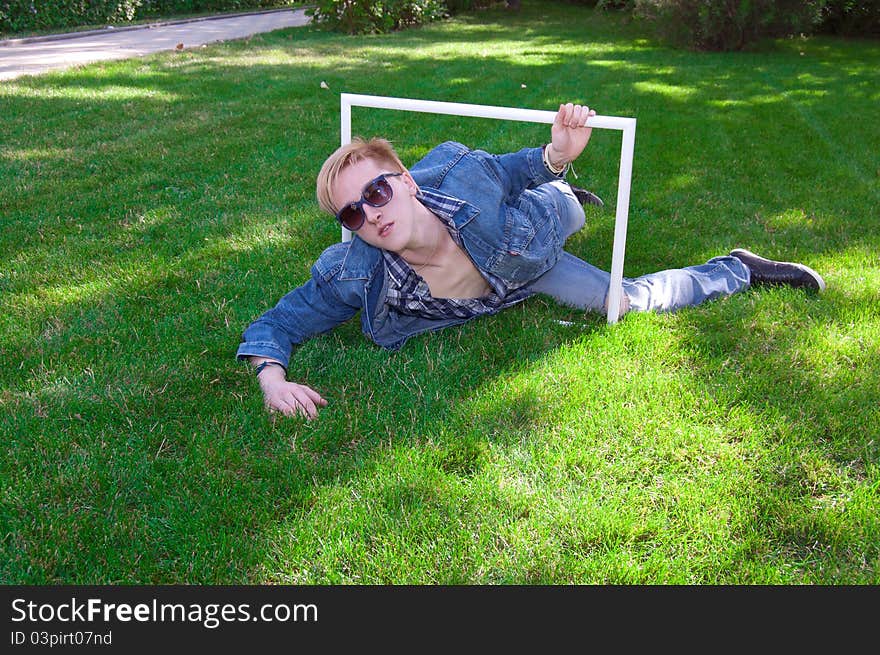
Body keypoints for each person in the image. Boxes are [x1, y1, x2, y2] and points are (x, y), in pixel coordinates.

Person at [236, 103, 825, 419]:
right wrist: (271, 379)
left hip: (526, 246)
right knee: (622, 303)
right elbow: (279, 322)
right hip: (511, 282)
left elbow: (514, 169)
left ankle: (575, 203)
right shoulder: (356, 270)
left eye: (378, 193)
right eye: (352, 214)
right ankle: (740, 266)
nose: (371, 215)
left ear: (407, 182)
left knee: (581, 235)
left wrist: (557, 154)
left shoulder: (462, 177)